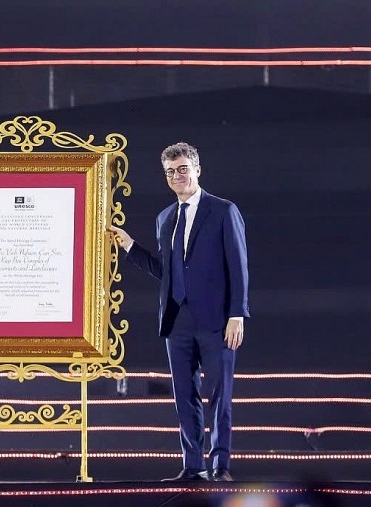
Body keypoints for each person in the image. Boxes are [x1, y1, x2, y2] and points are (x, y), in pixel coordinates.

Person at [109, 142, 249, 482]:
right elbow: (166, 272)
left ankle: (220, 467)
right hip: (177, 321)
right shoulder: (165, 218)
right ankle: (192, 465)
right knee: (184, 397)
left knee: (220, 396)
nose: (177, 176)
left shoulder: (223, 210)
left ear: (198, 170)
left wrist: (237, 313)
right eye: (171, 172)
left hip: (218, 320)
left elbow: (238, 264)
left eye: (183, 169)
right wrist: (129, 246)